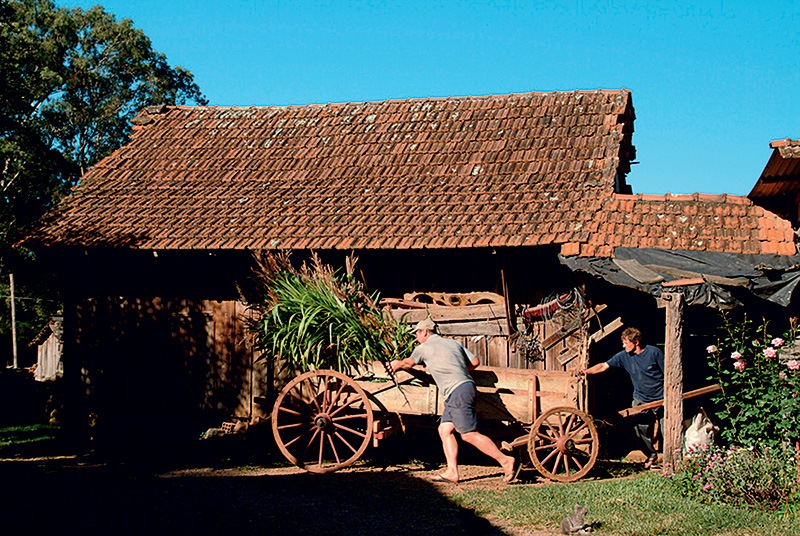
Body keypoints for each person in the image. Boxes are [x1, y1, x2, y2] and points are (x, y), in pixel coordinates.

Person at [390, 318, 516, 483]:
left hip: (457, 391)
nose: (416, 337)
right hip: (462, 389)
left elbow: (409, 363)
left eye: (417, 333)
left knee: (468, 434)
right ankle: (452, 472)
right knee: (445, 429)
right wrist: (459, 369)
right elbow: (475, 362)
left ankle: (505, 461)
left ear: (425, 332)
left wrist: (396, 364)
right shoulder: (453, 344)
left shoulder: (424, 348)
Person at [581, 326, 664, 469]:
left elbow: (668, 372)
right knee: (640, 428)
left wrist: (669, 395)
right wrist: (584, 372)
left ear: (636, 342)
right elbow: (603, 366)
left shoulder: (654, 353)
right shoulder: (623, 356)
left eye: (626, 343)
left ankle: (672, 457)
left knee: (666, 427)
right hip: (641, 398)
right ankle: (651, 454)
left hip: (661, 396)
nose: (623, 346)